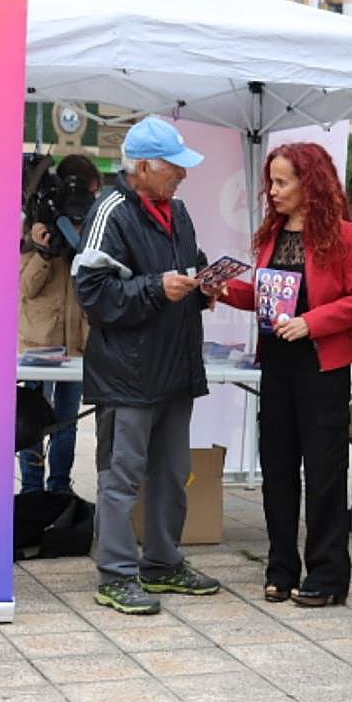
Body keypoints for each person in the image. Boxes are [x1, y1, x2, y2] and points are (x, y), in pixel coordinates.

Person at [215, 143, 352, 607]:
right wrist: (225, 290)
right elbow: (267, 298)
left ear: (311, 184)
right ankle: (280, 567)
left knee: (325, 472)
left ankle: (327, 575)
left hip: (322, 364)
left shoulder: (346, 236)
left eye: (282, 181)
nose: (273, 190)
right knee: (278, 470)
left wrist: (313, 321)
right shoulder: (272, 234)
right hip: (278, 365)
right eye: (272, 181)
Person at [74, 116, 221, 615]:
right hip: (127, 375)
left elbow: (188, 266)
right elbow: (92, 293)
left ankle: (163, 562)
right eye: (173, 167)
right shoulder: (110, 210)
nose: (182, 175)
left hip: (174, 370)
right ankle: (116, 574)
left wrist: (203, 289)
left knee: (173, 472)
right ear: (141, 167)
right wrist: (157, 288)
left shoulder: (178, 212)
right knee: (122, 475)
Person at [17, 154, 100, 496]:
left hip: (77, 343)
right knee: (32, 421)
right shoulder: (38, 221)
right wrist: (42, 251)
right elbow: (25, 288)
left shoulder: (94, 228)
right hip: (39, 345)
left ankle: (60, 490)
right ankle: (33, 491)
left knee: (67, 423)